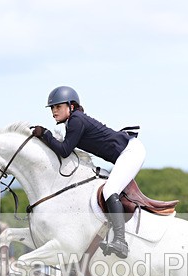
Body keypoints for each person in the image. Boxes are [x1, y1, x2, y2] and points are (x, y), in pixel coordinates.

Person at [32, 86, 145, 259]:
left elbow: (64, 150)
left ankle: (121, 241)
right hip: (126, 153)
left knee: (109, 190)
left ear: (71, 106)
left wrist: (46, 134)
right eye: (52, 108)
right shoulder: (73, 121)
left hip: (131, 152)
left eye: (58, 107)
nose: (54, 111)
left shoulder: (76, 120)